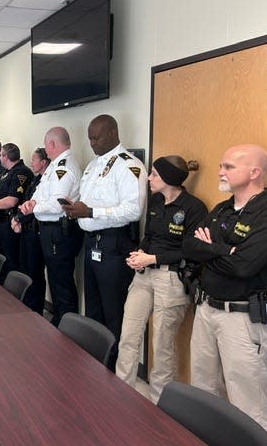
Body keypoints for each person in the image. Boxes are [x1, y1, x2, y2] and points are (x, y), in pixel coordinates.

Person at [182, 144, 267, 434]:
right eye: (222, 165)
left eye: (228, 167)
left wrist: (211, 248)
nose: (220, 171)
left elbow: (244, 266)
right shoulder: (223, 208)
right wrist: (226, 250)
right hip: (206, 310)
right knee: (202, 393)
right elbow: (189, 246)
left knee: (247, 405)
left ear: (254, 173)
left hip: (242, 320)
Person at [116, 155, 207, 403]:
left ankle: (160, 404)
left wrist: (154, 258)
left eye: (155, 174)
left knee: (163, 344)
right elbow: (149, 235)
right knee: (129, 336)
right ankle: (120, 391)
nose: (149, 178)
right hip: (144, 275)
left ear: (169, 178)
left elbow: (192, 250)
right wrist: (140, 254)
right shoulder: (156, 201)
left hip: (171, 279)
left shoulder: (194, 208)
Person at [62, 114, 147, 370]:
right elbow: (87, 199)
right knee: (94, 309)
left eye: (96, 137)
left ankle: (112, 369)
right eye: (89, 138)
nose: (92, 143)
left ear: (112, 133)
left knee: (114, 312)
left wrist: (90, 212)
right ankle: (94, 364)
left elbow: (133, 211)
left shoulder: (129, 166)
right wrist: (73, 207)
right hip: (92, 243)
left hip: (114, 245)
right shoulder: (94, 165)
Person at [20, 127, 83, 325]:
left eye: (46, 144)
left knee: (61, 282)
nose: (45, 148)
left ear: (52, 144)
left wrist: (33, 208)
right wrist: (32, 202)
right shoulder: (55, 166)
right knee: (55, 280)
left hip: (60, 231)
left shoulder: (65, 167)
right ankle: (59, 320)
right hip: (49, 230)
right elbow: (41, 192)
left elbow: (57, 204)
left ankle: (66, 326)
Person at [0, 143, 33, 281]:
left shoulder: (21, 172)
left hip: (11, 223)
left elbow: (12, 201)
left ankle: (11, 295)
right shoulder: (6, 172)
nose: (0, 158)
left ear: (5, 156)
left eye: (1, 155)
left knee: (11, 260)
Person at [11, 147, 50, 314]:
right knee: (25, 269)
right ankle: (27, 304)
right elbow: (25, 203)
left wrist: (20, 218)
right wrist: (17, 218)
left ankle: (35, 309)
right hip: (26, 230)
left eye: (34, 159)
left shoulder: (47, 181)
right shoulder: (35, 180)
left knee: (35, 273)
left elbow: (36, 208)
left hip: (36, 231)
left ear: (43, 162)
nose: (31, 163)